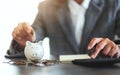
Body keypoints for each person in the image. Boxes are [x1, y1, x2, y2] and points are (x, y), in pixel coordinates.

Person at [7, 0, 120, 59]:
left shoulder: (114, 4)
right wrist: (26, 43)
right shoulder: (47, 7)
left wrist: (117, 49)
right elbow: (34, 37)